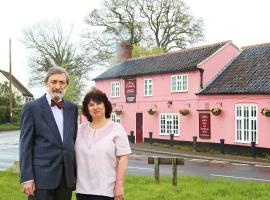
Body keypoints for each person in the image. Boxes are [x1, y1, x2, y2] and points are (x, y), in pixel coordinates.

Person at [19, 66, 78, 200]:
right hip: (41, 178)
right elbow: (25, 145)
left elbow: (72, 142)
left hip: (66, 178)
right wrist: (27, 178)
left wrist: (74, 173)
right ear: (46, 83)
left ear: (66, 85)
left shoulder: (72, 108)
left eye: (61, 82)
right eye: (54, 82)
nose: (57, 86)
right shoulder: (31, 108)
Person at [76, 88, 131, 200]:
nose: (96, 107)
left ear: (105, 106)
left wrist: (119, 186)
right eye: (91, 105)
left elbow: (123, 158)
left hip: (105, 190)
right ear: (87, 109)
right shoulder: (79, 130)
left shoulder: (116, 129)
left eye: (99, 103)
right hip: (82, 190)